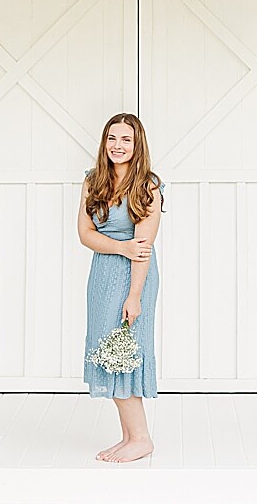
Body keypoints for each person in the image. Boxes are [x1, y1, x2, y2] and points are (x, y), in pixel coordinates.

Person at [78, 112, 165, 464]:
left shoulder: (148, 186)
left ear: (137, 143)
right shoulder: (92, 181)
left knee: (124, 353)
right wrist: (120, 246)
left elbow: (141, 249)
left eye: (126, 139)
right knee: (106, 352)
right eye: (112, 138)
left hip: (134, 277)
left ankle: (141, 439)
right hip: (102, 274)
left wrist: (134, 296)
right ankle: (129, 436)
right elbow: (85, 235)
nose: (118, 145)